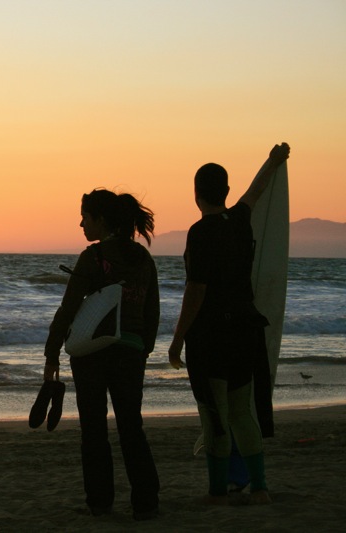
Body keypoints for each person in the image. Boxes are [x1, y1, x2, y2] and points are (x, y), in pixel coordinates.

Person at [168, 142, 291, 506]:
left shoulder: (200, 232)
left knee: (214, 415)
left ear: (196, 194)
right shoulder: (239, 220)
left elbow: (197, 289)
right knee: (240, 412)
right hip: (245, 331)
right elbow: (256, 191)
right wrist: (273, 161)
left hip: (212, 336)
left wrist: (178, 338)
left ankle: (218, 491)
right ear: (226, 191)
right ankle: (260, 487)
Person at [43, 189, 161, 520]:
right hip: (131, 353)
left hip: (92, 354)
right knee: (131, 427)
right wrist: (144, 349)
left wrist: (51, 354)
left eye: (85, 217)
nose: (81, 224)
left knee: (94, 429)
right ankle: (146, 503)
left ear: (101, 220)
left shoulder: (93, 257)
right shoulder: (143, 259)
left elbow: (68, 310)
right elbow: (152, 311)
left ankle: (100, 502)